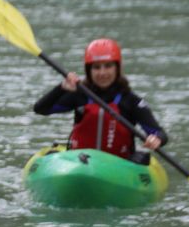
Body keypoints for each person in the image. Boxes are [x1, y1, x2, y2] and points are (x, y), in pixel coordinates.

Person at [33, 38, 168, 163]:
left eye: (108, 66)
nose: (102, 73)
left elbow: (159, 133)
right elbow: (40, 109)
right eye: (96, 67)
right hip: (79, 162)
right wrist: (61, 88)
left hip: (118, 165)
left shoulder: (131, 101)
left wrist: (156, 139)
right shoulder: (80, 95)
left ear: (117, 68)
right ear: (89, 70)